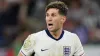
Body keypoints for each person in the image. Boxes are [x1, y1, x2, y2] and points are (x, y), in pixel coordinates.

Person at [18, 1, 85, 56]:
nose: (49, 19)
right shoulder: (33, 38)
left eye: (53, 15)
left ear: (63, 19)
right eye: (47, 15)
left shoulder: (73, 38)